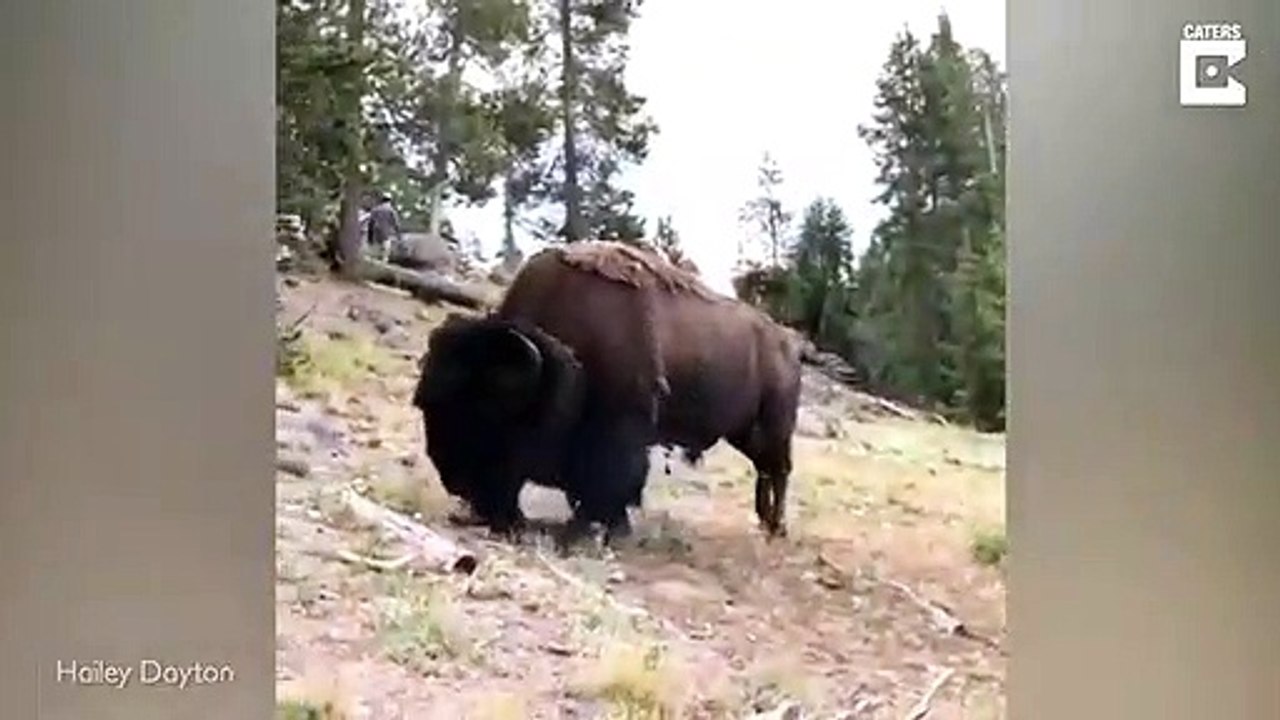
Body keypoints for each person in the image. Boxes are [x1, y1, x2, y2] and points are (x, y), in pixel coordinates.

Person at [365, 191, 402, 262]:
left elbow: (370, 223)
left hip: (376, 233)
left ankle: (374, 263)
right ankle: (384, 262)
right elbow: (396, 223)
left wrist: (369, 236)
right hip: (386, 233)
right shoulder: (391, 210)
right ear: (390, 201)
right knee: (385, 251)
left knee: (375, 251)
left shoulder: (375, 209)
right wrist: (399, 235)